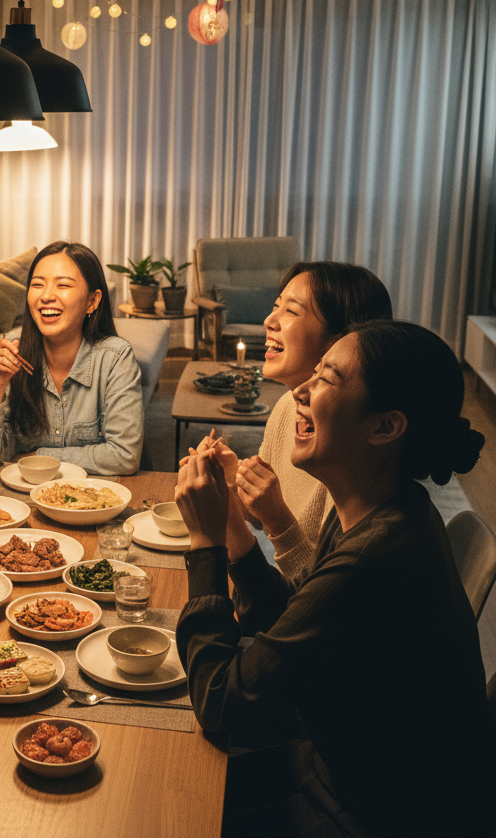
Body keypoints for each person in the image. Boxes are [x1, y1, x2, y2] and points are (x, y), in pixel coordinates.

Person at [174, 320, 491, 837]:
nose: (300, 391)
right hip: (336, 769)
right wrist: (232, 526)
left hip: (372, 813)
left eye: (326, 378)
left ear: (385, 427)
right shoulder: (380, 507)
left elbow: (222, 702)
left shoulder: (378, 556)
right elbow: (295, 628)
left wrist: (204, 545)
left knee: (167, 803)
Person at [195, 262, 392, 580]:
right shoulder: (288, 406)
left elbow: (324, 594)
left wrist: (276, 518)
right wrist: (234, 483)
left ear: (342, 340)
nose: (269, 321)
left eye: (291, 311)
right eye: (276, 307)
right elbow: (261, 516)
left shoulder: (353, 451)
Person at [0, 241, 143, 475]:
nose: (46, 296)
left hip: (93, 503)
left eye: (63, 285)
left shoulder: (115, 358)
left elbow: (124, 456)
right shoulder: (12, 356)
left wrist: (39, 456)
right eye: (37, 285)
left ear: (92, 301)